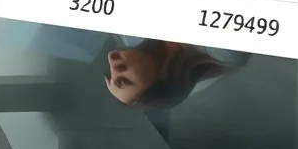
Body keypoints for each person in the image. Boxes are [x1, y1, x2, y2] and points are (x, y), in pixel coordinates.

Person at [105, 39, 248, 108]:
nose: (111, 59)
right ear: (163, 79)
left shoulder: (132, 32)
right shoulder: (223, 48)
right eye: (123, 81)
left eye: (110, 72)